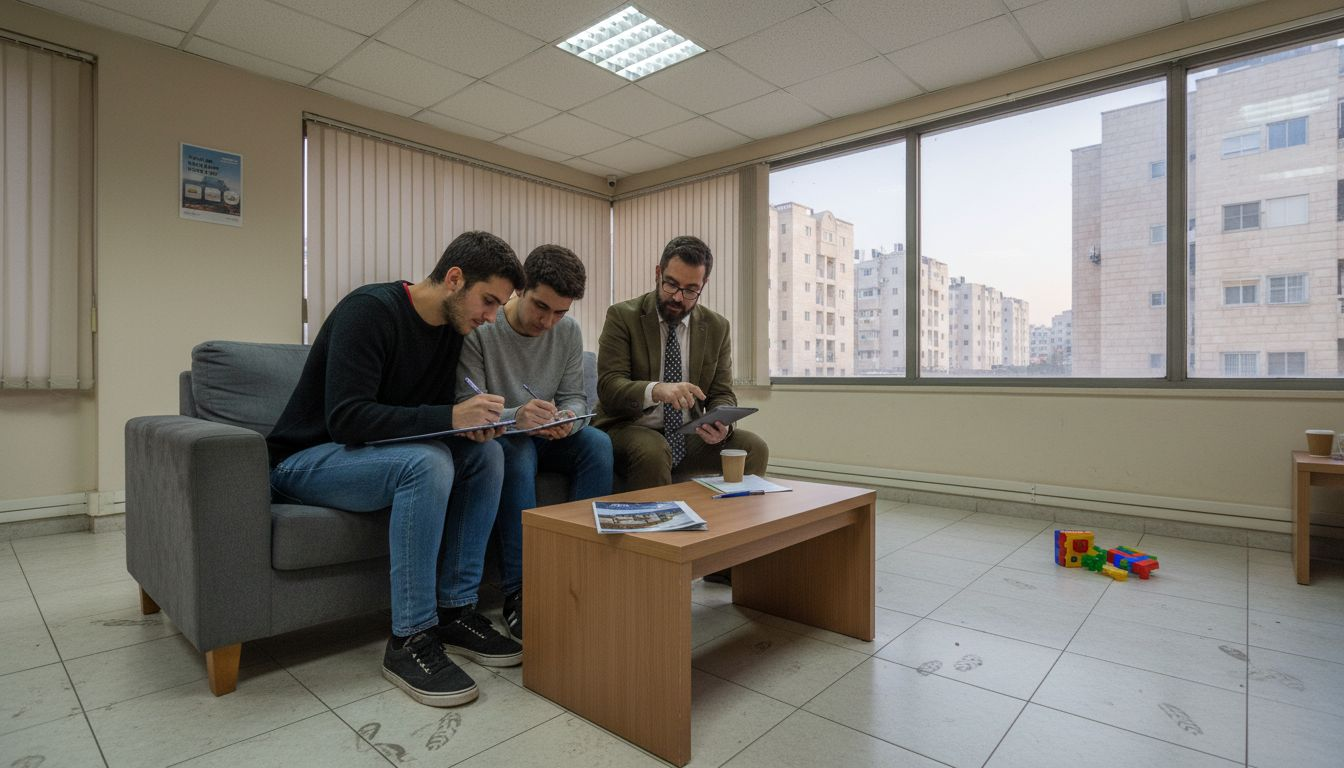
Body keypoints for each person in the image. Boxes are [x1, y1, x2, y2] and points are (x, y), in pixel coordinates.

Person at [266, 230, 525, 709]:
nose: (491, 317)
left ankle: (454, 610)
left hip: (374, 455)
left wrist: (469, 425)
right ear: (454, 279)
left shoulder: (452, 331)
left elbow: (415, 418)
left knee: (488, 455)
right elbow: (346, 418)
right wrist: (449, 419)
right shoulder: (369, 311)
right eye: (488, 301)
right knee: (427, 464)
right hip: (305, 460)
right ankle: (410, 638)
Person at [456, 244, 613, 641]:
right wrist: (516, 418)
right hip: (503, 438)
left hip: (549, 435)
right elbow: (467, 405)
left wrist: (568, 421)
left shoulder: (568, 332)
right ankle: (519, 591)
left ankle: (587, 573)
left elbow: (577, 397)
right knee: (518, 449)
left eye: (560, 312)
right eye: (541, 307)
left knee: (597, 444)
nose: (549, 321)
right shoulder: (483, 330)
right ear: (521, 290)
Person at [594, 233, 768, 494]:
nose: (677, 297)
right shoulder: (622, 316)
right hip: (629, 427)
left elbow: (721, 392)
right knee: (653, 449)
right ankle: (659, 530)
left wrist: (723, 424)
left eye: (690, 290)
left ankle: (734, 529)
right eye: (671, 285)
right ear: (658, 273)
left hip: (688, 434)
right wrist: (657, 390)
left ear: (703, 285)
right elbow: (609, 387)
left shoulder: (717, 327)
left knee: (753, 447)